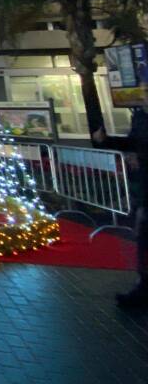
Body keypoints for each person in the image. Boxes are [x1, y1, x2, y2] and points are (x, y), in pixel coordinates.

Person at [92, 104, 148, 308]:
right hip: (145, 187)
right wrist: (107, 141)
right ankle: (142, 287)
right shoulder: (140, 116)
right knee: (142, 238)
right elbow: (135, 142)